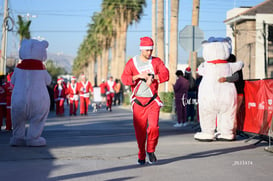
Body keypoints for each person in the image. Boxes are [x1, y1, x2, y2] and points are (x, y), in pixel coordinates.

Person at [121, 36, 169, 165]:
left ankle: (151, 150)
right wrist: (138, 76)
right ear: (141, 49)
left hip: (153, 101)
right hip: (138, 102)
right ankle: (141, 154)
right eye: (147, 50)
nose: (149, 52)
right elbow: (124, 78)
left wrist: (153, 76)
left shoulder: (157, 61)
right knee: (140, 131)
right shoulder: (132, 62)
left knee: (153, 127)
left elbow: (166, 75)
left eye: (151, 50)